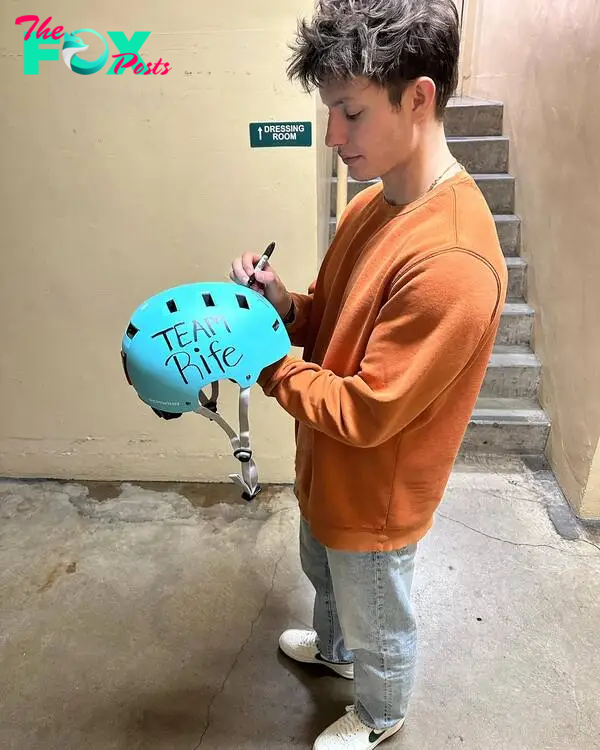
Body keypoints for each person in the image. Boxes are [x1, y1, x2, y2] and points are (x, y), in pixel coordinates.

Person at [230, 1, 507, 747]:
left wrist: (267, 358)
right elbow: (335, 320)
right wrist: (283, 305)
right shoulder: (373, 205)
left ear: (418, 97)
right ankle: (333, 651)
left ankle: (382, 712)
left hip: (376, 496)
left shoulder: (452, 260)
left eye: (349, 113)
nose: (332, 136)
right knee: (321, 570)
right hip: (327, 467)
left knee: (377, 609)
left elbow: (367, 410)